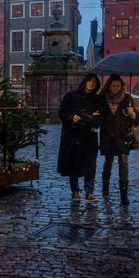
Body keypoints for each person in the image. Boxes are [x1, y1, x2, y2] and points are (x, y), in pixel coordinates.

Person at [97, 73, 139, 206]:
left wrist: (133, 114)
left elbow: (137, 118)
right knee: (108, 161)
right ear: (109, 86)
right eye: (113, 85)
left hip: (123, 135)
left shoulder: (127, 98)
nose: (116, 88)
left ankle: (124, 195)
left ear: (122, 86)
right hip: (107, 135)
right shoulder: (102, 99)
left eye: (118, 85)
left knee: (123, 162)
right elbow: (99, 116)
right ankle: (105, 188)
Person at [57, 73, 101, 203]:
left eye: (94, 82)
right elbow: (63, 112)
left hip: (89, 137)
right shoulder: (71, 95)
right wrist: (71, 117)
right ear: (85, 81)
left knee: (90, 164)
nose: (91, 84)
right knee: (74, 164)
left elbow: (99, 117)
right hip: (73, 136)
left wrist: (91, 119)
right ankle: (75, 192)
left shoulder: (97, 99)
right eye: (89, 81)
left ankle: (89, 192)